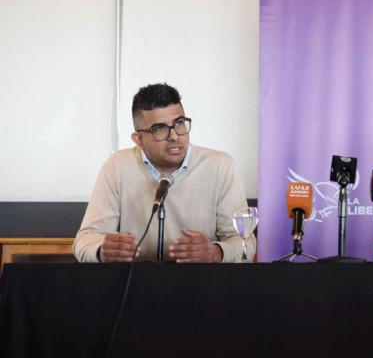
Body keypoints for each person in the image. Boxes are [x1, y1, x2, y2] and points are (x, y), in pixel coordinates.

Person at [74, 83, 255, 263]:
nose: (174, 136)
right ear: (139, 140)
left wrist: (216, 253)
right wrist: (101, 251)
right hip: (135, 284)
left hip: (201, 284)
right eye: (159, 128)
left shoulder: (221, 166)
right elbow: (85, 241)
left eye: (179, 123)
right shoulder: (118, 167)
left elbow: (245, 243)